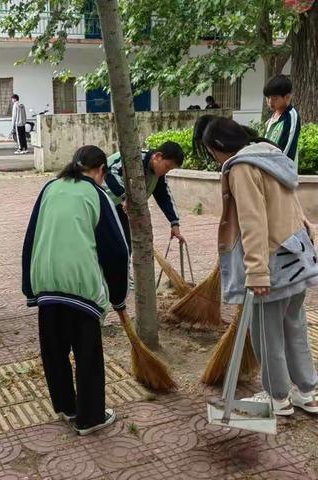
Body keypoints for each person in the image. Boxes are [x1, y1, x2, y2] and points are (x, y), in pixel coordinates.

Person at [202, 116, 318, 416]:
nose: (214, 159)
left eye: (211, 152)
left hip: (272, 262)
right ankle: (306, 391)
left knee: (266, 333)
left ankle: (277, 398)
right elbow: (292, 205)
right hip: (297, 256)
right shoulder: (270, 154)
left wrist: (256, 272)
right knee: (294, 327)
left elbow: (253, 222)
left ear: (218, 146)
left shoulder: (242, 167)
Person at [22, 145, 129, 435]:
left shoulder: (49, 187)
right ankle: (91, 417)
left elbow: (31, 236)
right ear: (100, 171)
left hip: (46, 281)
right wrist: (118, 297)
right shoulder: (97, 194)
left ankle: (67, 407)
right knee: (87, 353)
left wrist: (29, 287)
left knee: (54, 350)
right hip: (80, 287)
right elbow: (117, 251)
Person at [102, 141, 186, 252]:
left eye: (169, 170)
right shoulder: (134, 157)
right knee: (106, 241)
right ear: (158, 156)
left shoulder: (158, 174)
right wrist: (124, 196)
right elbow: (110, 172)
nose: (166, 171)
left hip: (124, 207)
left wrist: (174, 222)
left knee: (125, 245)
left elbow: (164, 197)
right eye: (166, 167)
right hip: (102, 201)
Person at [263, 74, 301, 167]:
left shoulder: (291, 116)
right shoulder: (271, 118)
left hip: (281, 172)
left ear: (287, 97)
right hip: (268, 168)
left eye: (275, 99)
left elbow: (288, 148)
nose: (270, 103)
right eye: (268, 98)